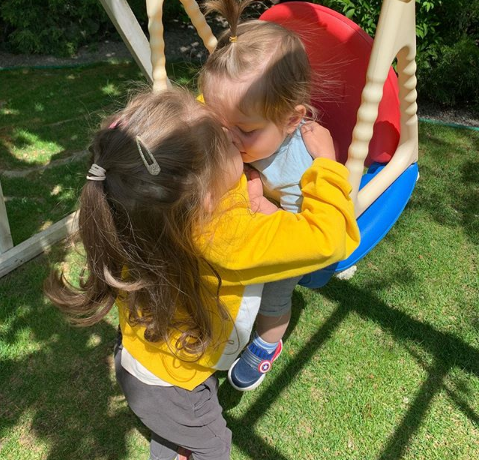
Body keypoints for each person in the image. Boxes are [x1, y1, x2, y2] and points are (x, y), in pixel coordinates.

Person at [45, 86, 359, 460]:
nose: (235, 140)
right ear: (209, 198)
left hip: (140, 356)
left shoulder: (146, 207)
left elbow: (188, 132)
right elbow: (329, 240)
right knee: (212, 445)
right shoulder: (226, 237)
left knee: (173, 430)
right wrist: (327, 164)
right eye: (228, 142)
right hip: (176, 386)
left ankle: (172, 438)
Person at [199, 0, 337, 392]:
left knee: (273, 297)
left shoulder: (301, 167)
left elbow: (306, 232)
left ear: (291, 119)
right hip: (247, 223)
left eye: (244, 130)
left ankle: (268, 341)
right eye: (218, 121)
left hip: (288, 230)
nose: (228, 138)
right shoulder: (239, 126)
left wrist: (262, 205)